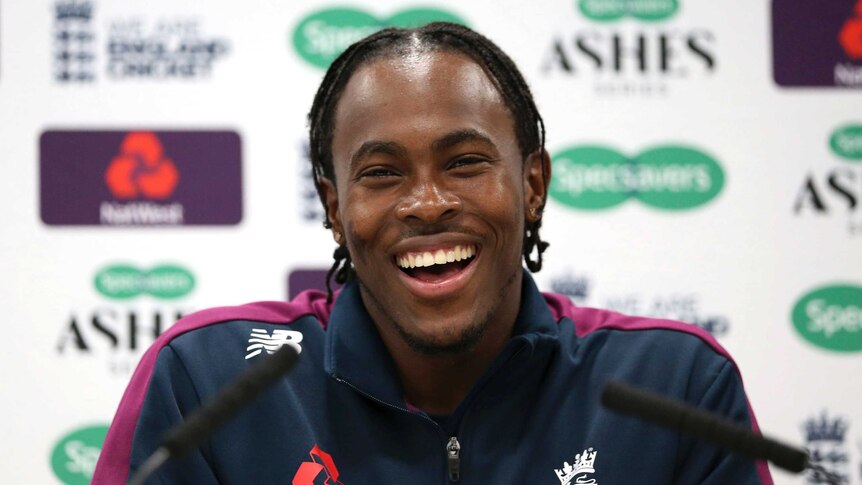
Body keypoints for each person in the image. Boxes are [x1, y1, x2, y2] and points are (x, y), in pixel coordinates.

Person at [94, 22, 772, 484]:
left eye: (466, 162)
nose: (425, 203)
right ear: (334, 208)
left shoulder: (677, 387)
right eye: (382, 172)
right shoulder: (205, 383)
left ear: (532, 184)